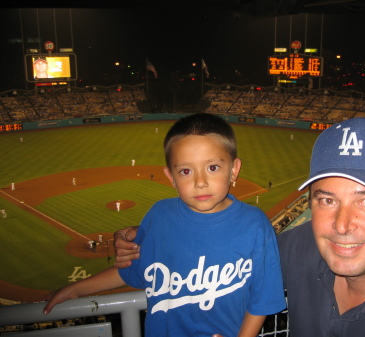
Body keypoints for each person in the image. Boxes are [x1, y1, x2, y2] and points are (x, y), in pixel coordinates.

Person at [114, 117, 365, 336]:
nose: (342, 226)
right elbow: (231, 253)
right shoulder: (303, 245)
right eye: (327, 200)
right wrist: (146, 237)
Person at [43, 113, 286, 337]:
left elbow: (262, 299)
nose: (200, 182)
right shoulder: (158, 215)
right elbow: (134, 269)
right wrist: (76, 290)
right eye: (186, 171)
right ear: (170, 177)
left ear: (234, 170)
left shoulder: (254, 224)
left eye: (213, 168)